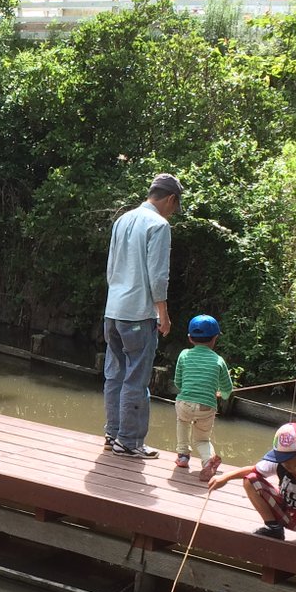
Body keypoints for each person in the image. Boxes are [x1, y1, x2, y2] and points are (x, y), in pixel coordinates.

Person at [103, 172, 182, 458]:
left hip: (112, 310)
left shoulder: (122, 219)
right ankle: (130, 441)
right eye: (175, 207)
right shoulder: (159, 225)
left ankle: (113, 434)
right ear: (171, 199)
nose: (173, 213)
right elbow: (158, 277)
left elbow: (111, 269)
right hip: (138, 314)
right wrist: (163, 314)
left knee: (114, 375)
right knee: (136, 378)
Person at [208, 422, 296, 548]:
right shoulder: (280, 463)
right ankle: (273, 527)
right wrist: (226, 477)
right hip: (288, 513)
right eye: (281, 458)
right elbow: (253, 470)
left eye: (288, 459)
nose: (284, 463)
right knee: (250, 480)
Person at [174, 314, 233, 482]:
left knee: (182, 421)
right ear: (215, 338)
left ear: (190, 338)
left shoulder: (184, 355)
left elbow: (178, 383)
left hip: (184, 404)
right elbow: (228, 390)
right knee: (202, 439)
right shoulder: (218, 361)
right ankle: (207, 461)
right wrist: (221, 394)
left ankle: (183, 456)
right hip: (206, 408)